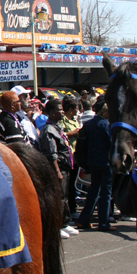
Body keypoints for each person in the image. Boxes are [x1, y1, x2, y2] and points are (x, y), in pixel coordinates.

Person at [75, 98, 117, 232]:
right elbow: (112, 143)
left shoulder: (88, 124)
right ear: (105, 111)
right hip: (105, 162)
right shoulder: (106, 125)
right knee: (106, 193)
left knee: (93, 190)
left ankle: (84, 219)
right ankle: (104, 222)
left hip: (92, 161)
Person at [38, 99, 77, 239]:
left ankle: (65, 223)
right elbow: (51, 154)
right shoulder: (49, 130)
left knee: (64, 196)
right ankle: (57, 225)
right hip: (58, 168)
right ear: (53, 113)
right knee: (58, 197)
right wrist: (57, 171)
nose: (63, 112)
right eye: (60, 110)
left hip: (65, 168)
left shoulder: (57, 127)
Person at [58, 96, 82, 219]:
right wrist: (72, 133)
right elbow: (60, 134)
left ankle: (73, 208)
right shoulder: (62, 121)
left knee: (74, 183)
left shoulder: (75, 120)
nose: (77, 110)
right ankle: (70, 210)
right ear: (70, 109)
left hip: (76, 155)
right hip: (68, 156)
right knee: (68, 185)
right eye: (76, 108)